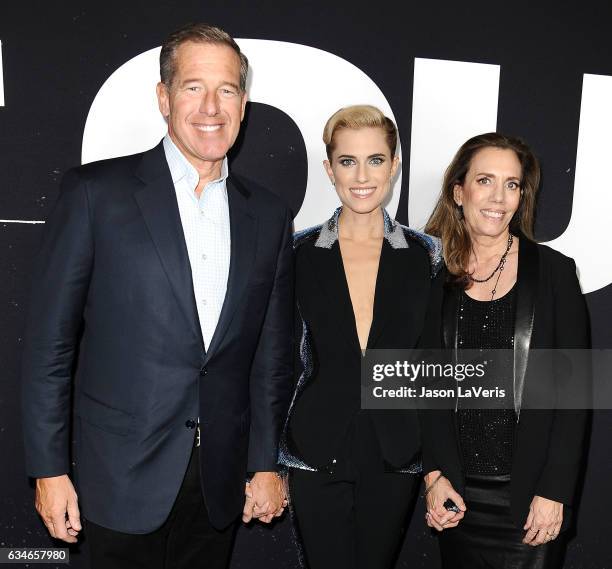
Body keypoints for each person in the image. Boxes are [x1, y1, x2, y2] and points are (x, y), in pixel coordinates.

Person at [21, 22, 293, 569]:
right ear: (164, 98)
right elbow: (49, 348)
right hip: (118, 477)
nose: (211, 107)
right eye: (193, 87)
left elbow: (270, 355)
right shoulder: (96, 195)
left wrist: (265, 461)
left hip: (218, 483)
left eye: (228, 89)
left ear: (244, 103)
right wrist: (49, 472)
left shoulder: (268, 214)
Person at [278, 105, 444, 569]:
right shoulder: (299, 252)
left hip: (396, 449)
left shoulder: (425, 255)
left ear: (394, 166)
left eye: (375, 160)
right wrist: (268, 461)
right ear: (329, 169)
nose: (361, 175)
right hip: (314, 444)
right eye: (348, 161)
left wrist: (436, 462)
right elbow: (278, 361)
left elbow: (433, 364)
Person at [421, 133, 590, 568]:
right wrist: (434, 477)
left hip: (531, 498)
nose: (499, 197)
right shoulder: (430, 274)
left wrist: (555, 491)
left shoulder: (554, 273)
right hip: (457, 497)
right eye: (485, 181)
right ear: (459, 192)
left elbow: (574, 398)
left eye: (512, 184)